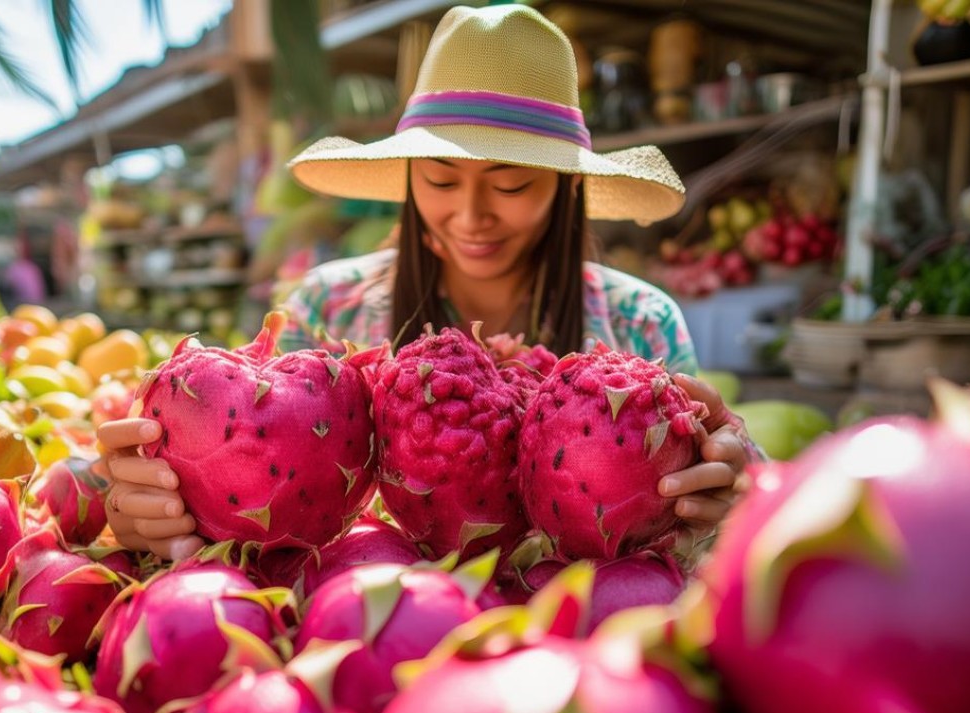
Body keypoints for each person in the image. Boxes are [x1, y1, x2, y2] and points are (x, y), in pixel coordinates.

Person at [98, 4, 753, 560]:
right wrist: (162, 499)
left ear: (568, 186)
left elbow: (694, 530)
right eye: (439, 180)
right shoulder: (329, 311)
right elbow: (249, 489)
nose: (470, 217)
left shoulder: (640, 322)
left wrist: (731, 489)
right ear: (408, 178)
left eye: (512, 183)